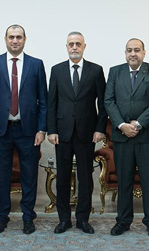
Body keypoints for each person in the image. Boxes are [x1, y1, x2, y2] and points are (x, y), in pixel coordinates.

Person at [0, 25, 47, 234]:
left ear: (25, 40)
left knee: (29, 175)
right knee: (1, 176)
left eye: (19, 37)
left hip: (28, 131)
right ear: (5, 39)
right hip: (1, 131)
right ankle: (1, 217)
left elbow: (43, 100)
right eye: (11, 37)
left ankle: (28, 217)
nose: (15, 41)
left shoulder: (36, 64)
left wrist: (41, 129)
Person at [104, 38, 149, 238]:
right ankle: (123, 221)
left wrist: (138, 124)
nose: (133, 53)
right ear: (125, 53)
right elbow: (108, 100)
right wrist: (122, 125)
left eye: (137, 50)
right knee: (124, 181)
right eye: (129, 50)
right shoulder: (115, 72)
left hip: (147, 137)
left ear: (144, 53)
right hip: (122, 137)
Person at [46, 31, 107, 234]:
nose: (74, 47)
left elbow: (103, 103)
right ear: (66, 47)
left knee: (85, 178)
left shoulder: (96, 70)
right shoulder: (56, 70)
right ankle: (64, 220)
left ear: (84, 46)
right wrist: (51, 130)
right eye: (71, 44)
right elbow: (51, 103)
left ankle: (83, 219)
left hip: (87, 133)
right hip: (62, 134)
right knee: (62, 178)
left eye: (78, 44)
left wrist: (100, 129)